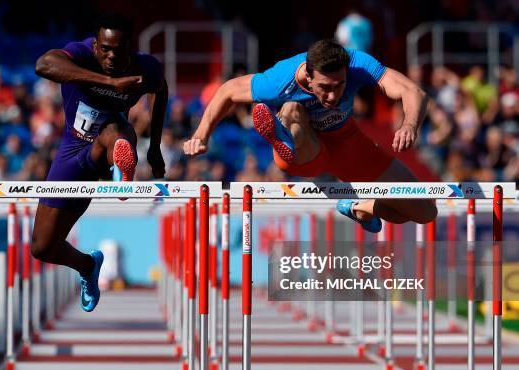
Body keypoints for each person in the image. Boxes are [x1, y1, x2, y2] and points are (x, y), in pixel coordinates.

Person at [184, 39, 437, 232]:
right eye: (325, 88)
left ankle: (359, 206)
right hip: (307, 152)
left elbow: (411, 90)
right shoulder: (279, 80)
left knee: (423, 211)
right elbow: (228, 90)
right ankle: (283, 136)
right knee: (292, 108)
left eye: (339, 86)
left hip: (347, 141)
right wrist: (201, 134)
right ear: (308, 76)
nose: (332, 96)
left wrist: (410, 125)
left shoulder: (358, 63)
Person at [31, 13, 168, 312]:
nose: (110, 55)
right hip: (73, 151)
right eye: (105, 48)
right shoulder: (80, 53)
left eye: (118, 50)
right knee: (42, 247)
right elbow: (43, 65)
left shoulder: (145, 66)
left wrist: (155, 147)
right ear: (95, 45)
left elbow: (162, 90)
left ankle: (120, 171)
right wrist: (109, 82)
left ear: (130, 47)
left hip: (111, 141)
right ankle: (87, 264)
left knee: (116, 133)